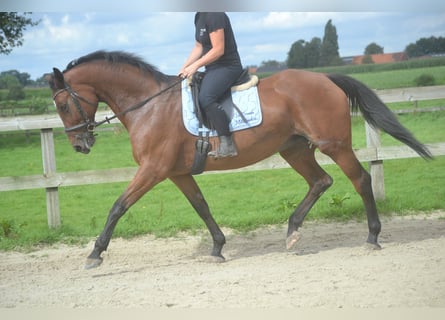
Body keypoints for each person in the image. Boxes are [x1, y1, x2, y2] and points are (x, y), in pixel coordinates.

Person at [179, 12, 243, 158]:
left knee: (206, 97)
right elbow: (199, 47)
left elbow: (218, 49)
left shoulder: (215, 14)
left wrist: (195, 66)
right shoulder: (199, 16)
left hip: (227, 67)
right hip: (212, 68)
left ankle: (227, 144)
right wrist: (184, 68)